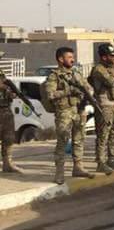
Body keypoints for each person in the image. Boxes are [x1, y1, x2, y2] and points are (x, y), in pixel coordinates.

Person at [44, 47, 95, 183]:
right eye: (69, 57)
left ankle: (78, 167)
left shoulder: (76, 74)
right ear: (61, 59)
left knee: (79, 140)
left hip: (79, 110)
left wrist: (85, 93)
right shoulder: (54, 76)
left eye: (73, 57)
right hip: (64, 112)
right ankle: (59, 173)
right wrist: (68, 91)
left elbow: (88, 87)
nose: (72, 60)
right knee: (62, 142)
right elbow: (50, 95)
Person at [88, 44, 114, 174]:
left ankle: (112, 157)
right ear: (104, 57)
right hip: (105, 105)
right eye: (111, 55)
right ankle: (101, 162)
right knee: (103, 134)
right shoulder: (98, 69)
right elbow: (111, 82)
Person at [0, 70, 22, 173]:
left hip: (5, 109)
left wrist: (10, 92)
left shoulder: (2, 74)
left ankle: (7, 163)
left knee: (8, 137)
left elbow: (8, 91)